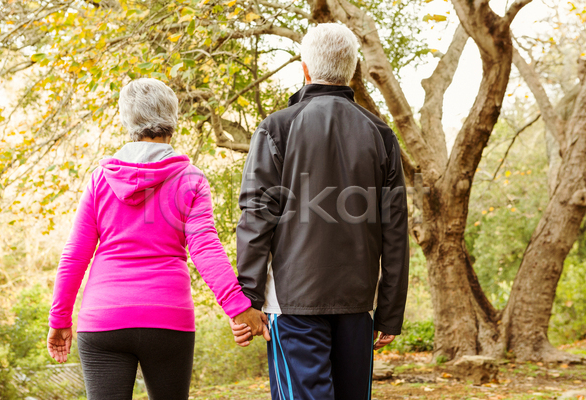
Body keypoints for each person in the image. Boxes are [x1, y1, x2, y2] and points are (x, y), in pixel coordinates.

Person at [47, 78, 268, 400]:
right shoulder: (190, 179)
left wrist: (59, 318)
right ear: (173, 120)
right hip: (168, 317)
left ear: (127, 120)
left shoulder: (101, 180)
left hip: (104, 318)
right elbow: (205, 248)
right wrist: (238, 307)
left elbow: (75, 254)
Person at [231, 23, 409, 400]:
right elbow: (395, 231)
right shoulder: (381, 134)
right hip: (358, 305)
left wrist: (248, 301)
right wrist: (390, 311)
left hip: (293, 305)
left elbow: (256, 218)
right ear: (352, 68)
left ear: (305, 68)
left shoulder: (276, 129)